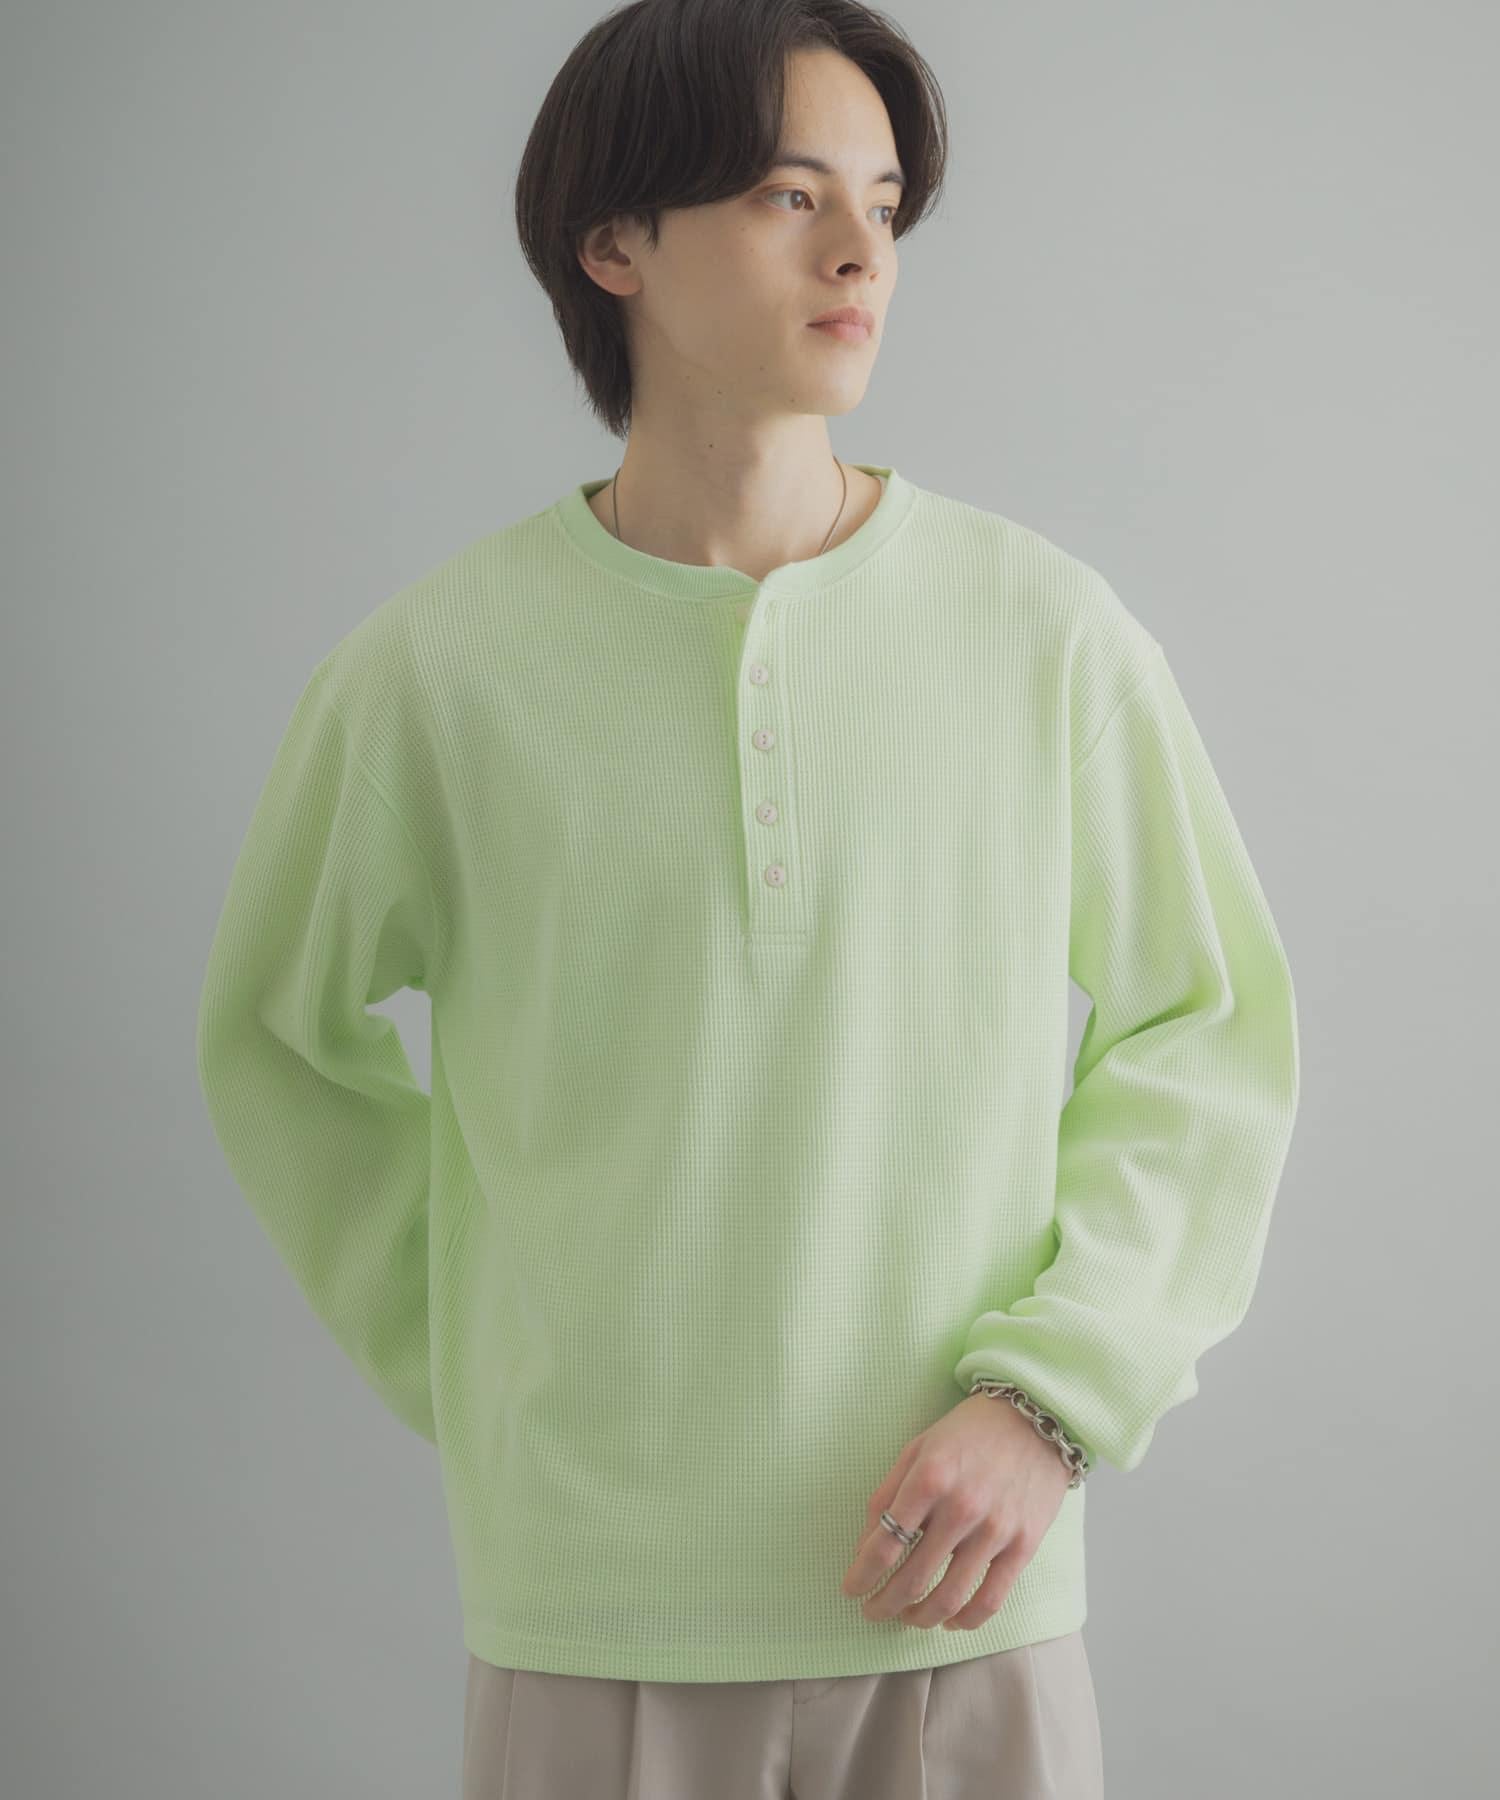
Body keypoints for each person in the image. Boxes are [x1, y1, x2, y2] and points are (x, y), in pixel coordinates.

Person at [195, 2, 1300, 1795]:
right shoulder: (434, 674)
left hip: (965, 1613)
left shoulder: (1044, 634)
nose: (863, 250)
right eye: (793, 196)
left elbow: (1212, 1031)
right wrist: (503, 1369)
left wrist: (1052, 1402)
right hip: (593, 1620)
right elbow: (276, 1046)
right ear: (613, 243)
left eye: (884, 203)